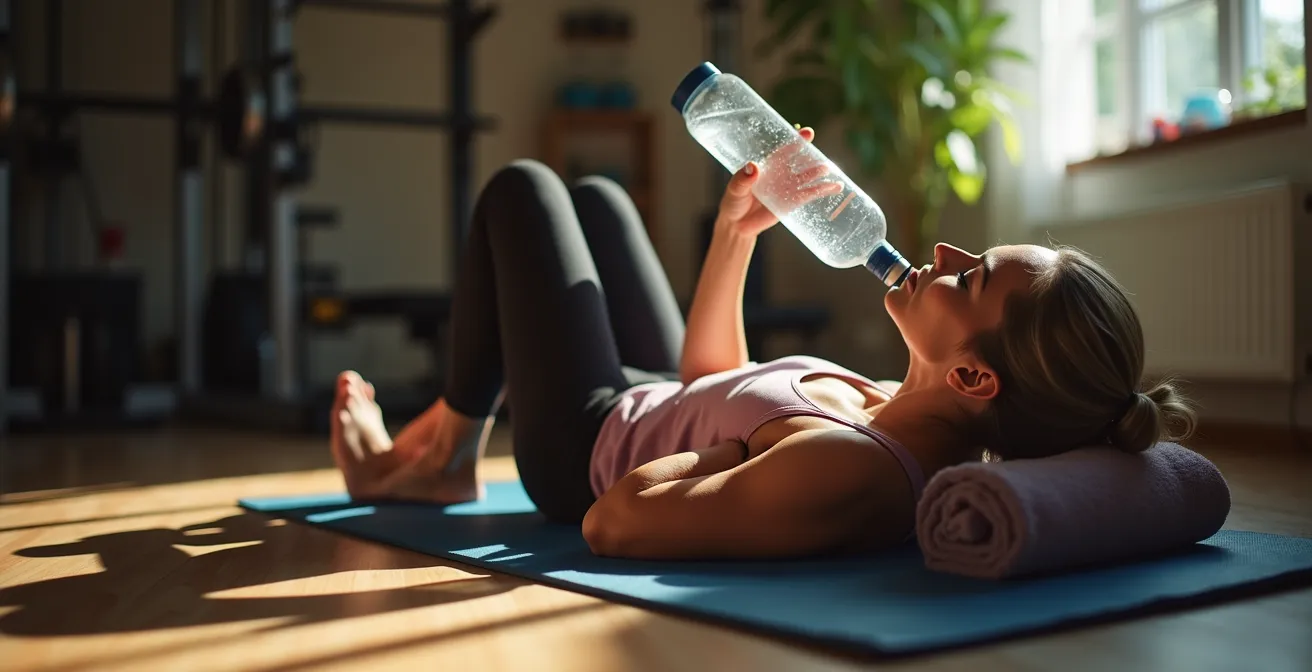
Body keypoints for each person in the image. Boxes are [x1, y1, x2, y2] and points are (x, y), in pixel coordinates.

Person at [330, 127, 1196, 561]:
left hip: (583, 444)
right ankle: (438, 442)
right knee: (596, 196)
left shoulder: (851, 464)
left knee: (523, 190)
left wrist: (740, 448)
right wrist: (737, 235)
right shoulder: (892, 403)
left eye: (969, 277)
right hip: (656, 397)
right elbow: (716, 382)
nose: (944, 253)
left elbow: (613, 521)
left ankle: (445, 449)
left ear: (973, 373)